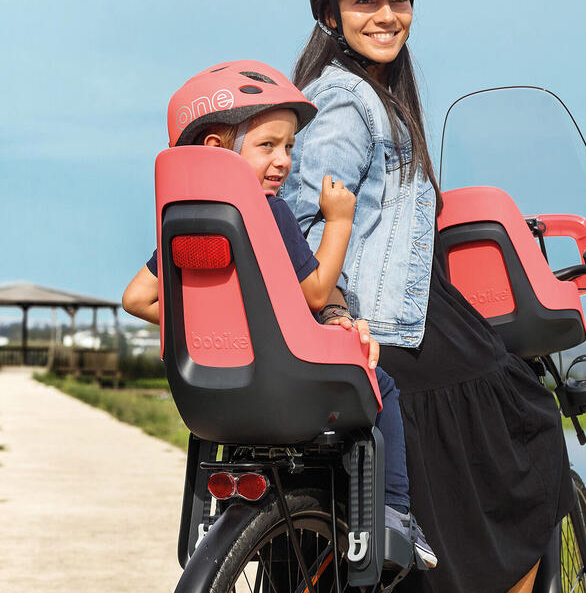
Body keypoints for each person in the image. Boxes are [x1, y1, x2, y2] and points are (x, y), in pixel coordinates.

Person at [284, 0, 577, 593]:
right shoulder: (348, 104)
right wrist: (340, 307)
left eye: (398, 0)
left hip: (387, 312)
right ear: (330, 15)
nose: (385, 15)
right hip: (389, 320)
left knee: (349, 479)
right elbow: (304, 217)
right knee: (533, 420)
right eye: (364, 2)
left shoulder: (373, 97)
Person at [122, 60, 437, 567]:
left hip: (209, 393)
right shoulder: (269, 213)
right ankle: (394, 516)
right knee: (384, 386)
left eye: (290, 147)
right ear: (217, 150)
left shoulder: (184, 220)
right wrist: (339, 221)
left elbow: (137, 298)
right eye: (268, 145)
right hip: (285, 381)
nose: (284, 161)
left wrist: (208, 327)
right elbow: (315, 293)